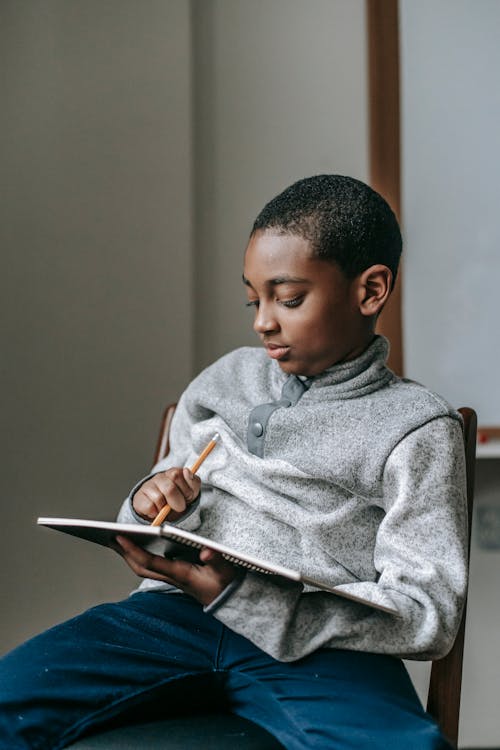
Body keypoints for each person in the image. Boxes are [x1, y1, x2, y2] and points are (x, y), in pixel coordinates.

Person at [0, 175, 467, 749]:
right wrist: (153, 502)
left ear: (369, 291)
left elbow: (428, 614)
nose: (262, 321)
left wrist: (247, 597)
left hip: (319, 646)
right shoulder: (225, 379)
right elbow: (160, 506)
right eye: (254, 298)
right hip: (175, 617)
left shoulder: (416, 427)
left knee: (405, 747)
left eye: (288, 298)